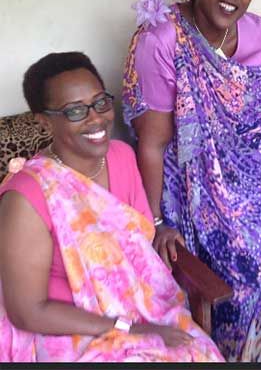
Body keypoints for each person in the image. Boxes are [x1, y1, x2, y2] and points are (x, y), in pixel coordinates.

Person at [122, 0, 261, 362]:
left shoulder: (260, 33)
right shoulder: (162, 38)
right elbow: (153, 144)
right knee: (233, 262)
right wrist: (157, 221)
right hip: (190, 182)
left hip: (253, 174)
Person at [0, 52, 223, 362]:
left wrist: (162, 230)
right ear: (44, 120)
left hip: (140, 308)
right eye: (75, 111)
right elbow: (27, 312)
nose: (96, 118)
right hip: (69, 333)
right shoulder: (27, 196)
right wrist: (128, 328)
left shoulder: (121, 155)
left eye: (100, 102)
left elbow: (137, 235)